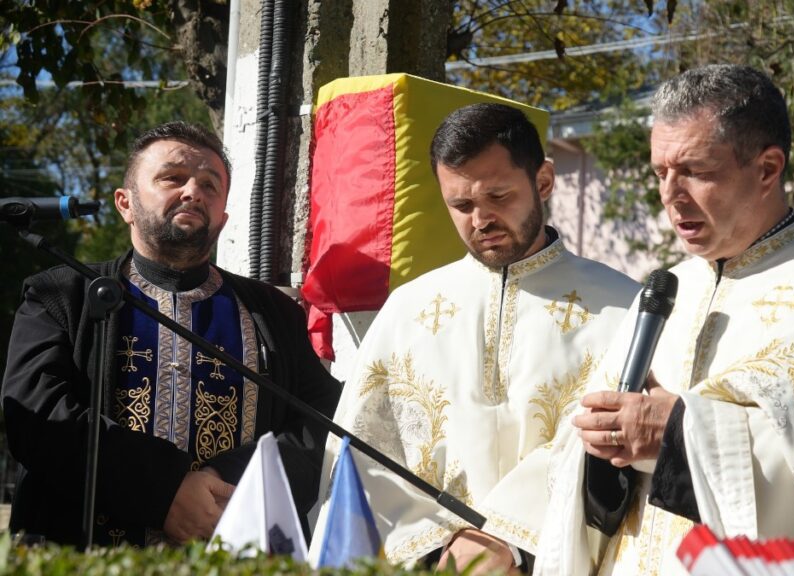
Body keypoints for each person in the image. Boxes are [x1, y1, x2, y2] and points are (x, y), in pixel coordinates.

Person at [535, 64, 794, 575]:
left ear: (767, 169)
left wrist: (677, 434)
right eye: (661, 171)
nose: (670, 194)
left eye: (697, 172)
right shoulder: (665, 292)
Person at [308, 103, 639, 574]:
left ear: (543, 182)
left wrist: (508, 541)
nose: (480, 219)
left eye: (498, 197)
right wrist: (440, 545)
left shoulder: (622, 309)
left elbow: (623, 459)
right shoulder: (406, 312)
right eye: (461, 205)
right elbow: (360, 462)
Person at [2, 122, 341, 547]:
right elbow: (36, 416)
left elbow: (321, 420)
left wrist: (231, 479)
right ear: (124, 203)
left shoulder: (272, 313)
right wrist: (166, 493)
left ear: (224, 216)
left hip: (233, 553)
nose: (193, 192)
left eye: (209, 185)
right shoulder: (61, 294)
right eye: (172, 178)